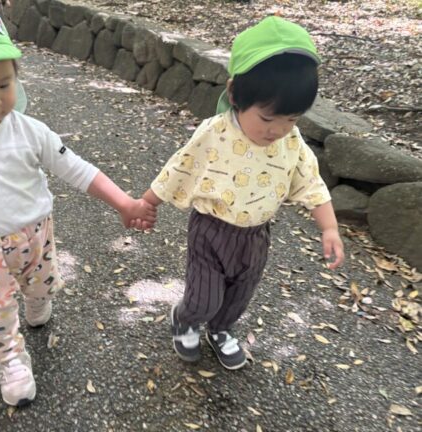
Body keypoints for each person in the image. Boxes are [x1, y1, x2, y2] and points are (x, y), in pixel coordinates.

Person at [0, 0, 156, 406]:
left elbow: (76, 168)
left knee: (42, 281)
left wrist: (124, 202)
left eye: (4, 84)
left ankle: (37, 298)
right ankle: (10, 359)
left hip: (33, 235)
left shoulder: (27, 131)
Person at [139, 16, 344, 370]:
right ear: (235, 94)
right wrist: (147, 201)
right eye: (267, 118)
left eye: (291, 119)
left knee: (239, 295)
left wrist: (329, 227)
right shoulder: (216, 132)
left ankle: (220, 330)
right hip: (211, 230)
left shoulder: (291, 142)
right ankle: (186, 318)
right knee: (204, 297)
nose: (278, 130)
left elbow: (311, 182)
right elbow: (181, 166)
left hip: (255, 236)